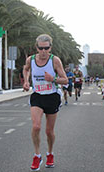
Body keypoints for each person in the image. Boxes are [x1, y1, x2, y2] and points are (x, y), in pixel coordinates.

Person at [23, 34, 68, 171]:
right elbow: (26, 69)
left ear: (50, 48)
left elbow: (65, 80)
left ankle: (50, 153)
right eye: (41, 48)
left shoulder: (55, 61)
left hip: (52, 96)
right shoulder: (30, 60)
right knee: (36, 126)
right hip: (37, 96)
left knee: (49, 131)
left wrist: (53, 79)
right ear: (36, 47)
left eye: (46, 48)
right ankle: (37, 156)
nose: (43, 51)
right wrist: (26, 81)